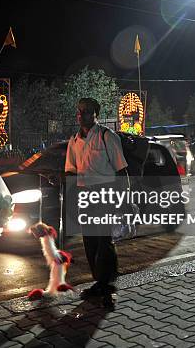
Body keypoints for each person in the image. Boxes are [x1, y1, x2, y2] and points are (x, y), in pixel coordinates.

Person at [65, 98, 127, 308]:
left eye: (87, 111)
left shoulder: (106, 136)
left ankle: (105, 284)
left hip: (105, 192)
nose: (82, 115)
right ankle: (100, 281)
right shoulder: (74, 141)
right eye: (79, 111)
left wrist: (122, 200)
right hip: (85, 195)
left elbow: (121, 170)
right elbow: (71, 171)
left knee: (103, 240)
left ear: (96, 114)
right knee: (90, 240)